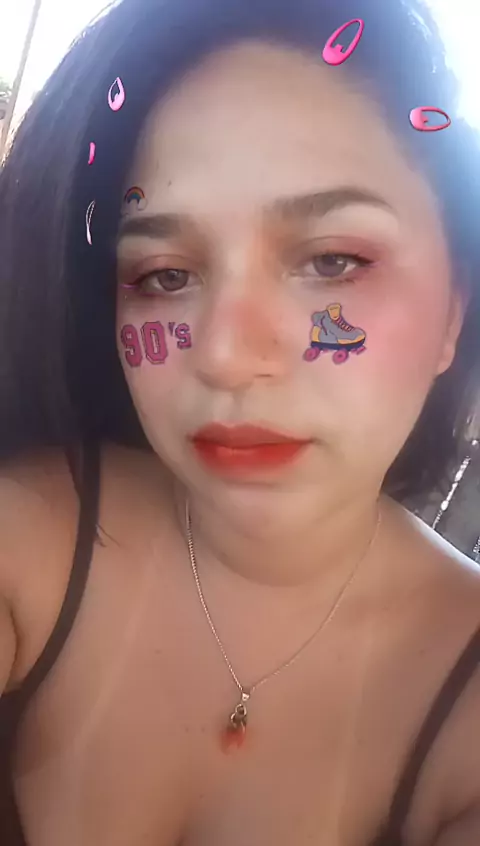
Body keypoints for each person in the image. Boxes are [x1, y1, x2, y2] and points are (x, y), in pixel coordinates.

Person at [1, 0, 480, 843]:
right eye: (163, 274)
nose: (224, 355)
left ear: (452, 314)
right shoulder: (30, 535)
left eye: (333, 259)